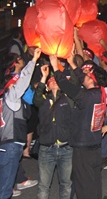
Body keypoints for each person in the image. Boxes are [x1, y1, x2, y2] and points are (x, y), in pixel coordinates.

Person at [50, 55, 107, 199]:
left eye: (88, 75)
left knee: (84, 189)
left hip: (83, 149)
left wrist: (55, 67)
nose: (85, 76)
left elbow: (66, 85)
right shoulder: (100, 93)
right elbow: (82, 78)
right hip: (95, 146)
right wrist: (72, 64)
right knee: (94, 185)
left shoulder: (86, 97)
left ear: (92, 80)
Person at [0, 48, 41, 199]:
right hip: (11, 146)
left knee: (5, 188)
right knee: (4, 191)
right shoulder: (11, 98)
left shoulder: (3, 100)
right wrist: (33, 60)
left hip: (9, 146)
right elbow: (24, 81)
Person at [33, 63, 73, 199]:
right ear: (47, 87)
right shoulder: (43, 101)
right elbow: (36, 97)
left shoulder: (68, 99)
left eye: (56, 80)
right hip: (47, 149)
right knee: (44, 186)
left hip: (66, 148)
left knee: (66, 184)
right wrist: (44, 77)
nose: (54, 82)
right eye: (51, 81)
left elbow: (74, 86)